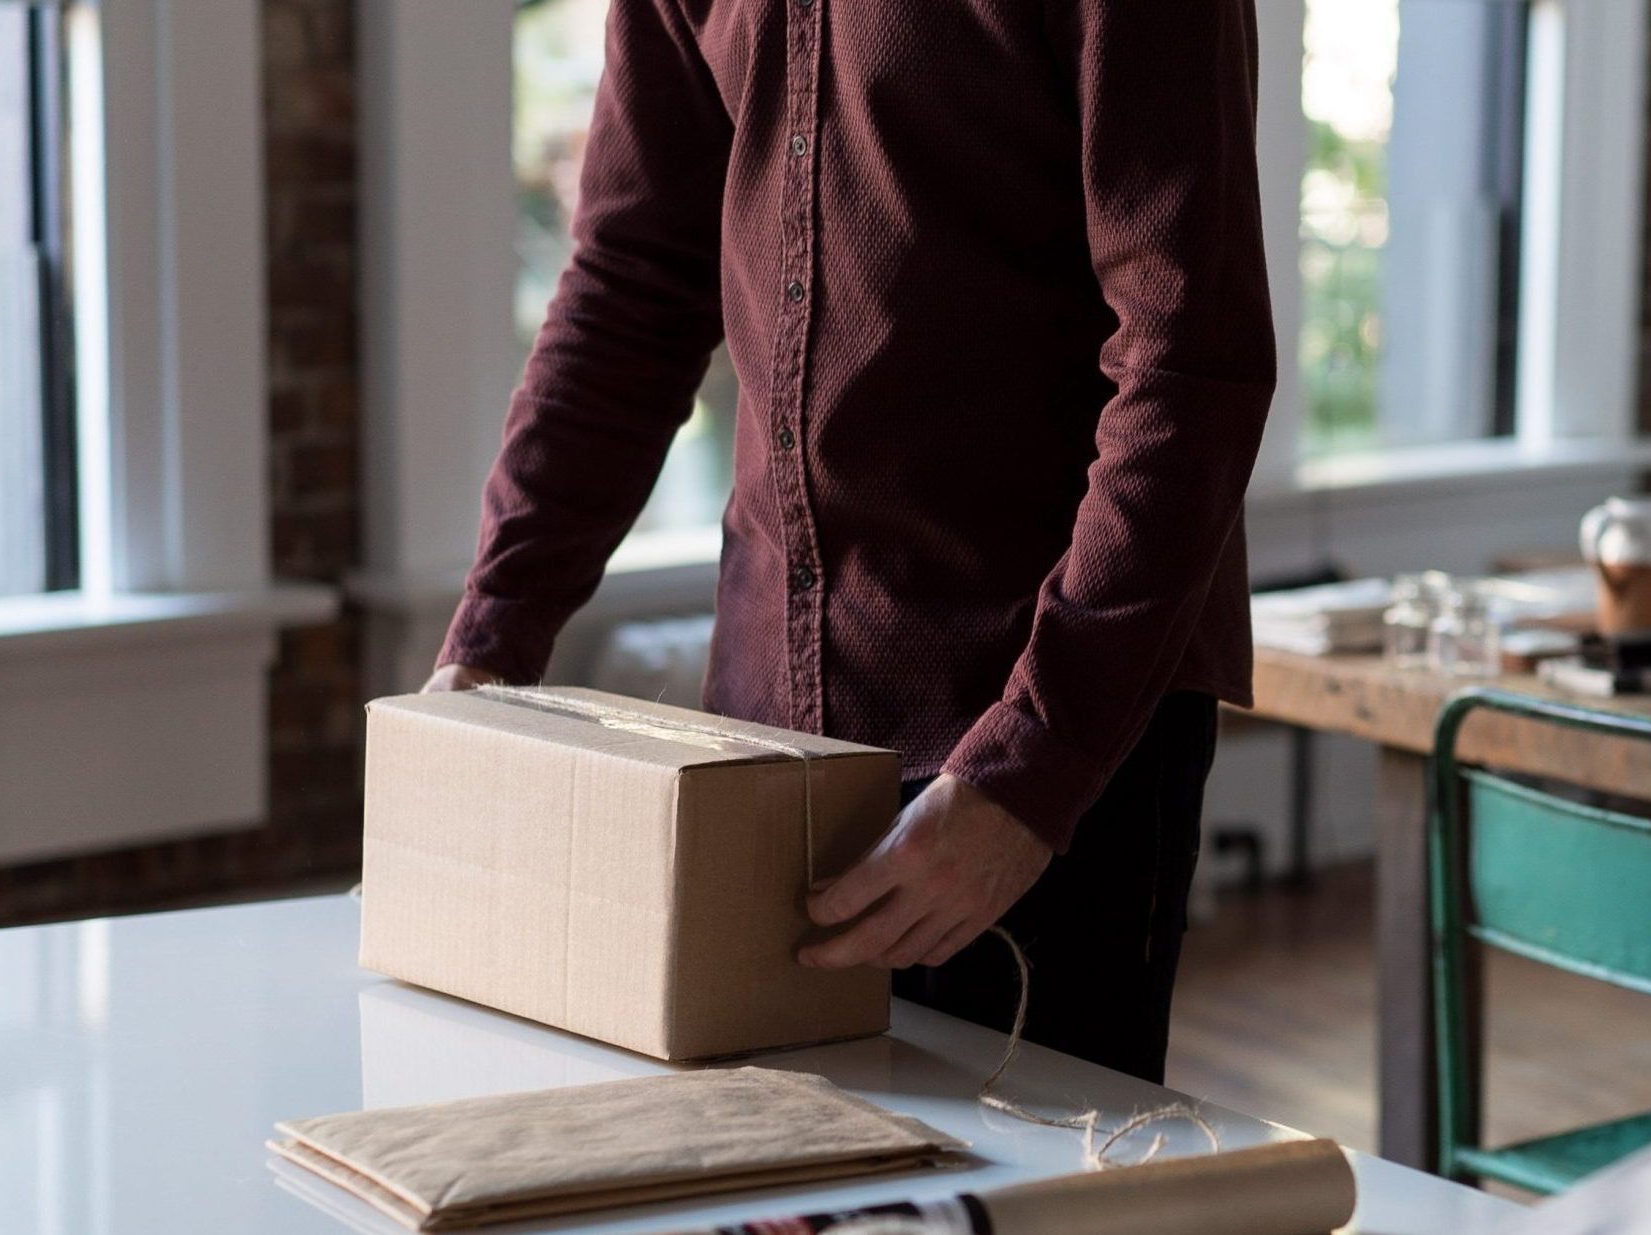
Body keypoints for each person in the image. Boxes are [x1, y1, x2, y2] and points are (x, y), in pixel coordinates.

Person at [421, 0, 1273, 1085]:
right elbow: (632, 284)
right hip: (764, 743)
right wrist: (489, 642)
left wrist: (1028, 771)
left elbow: (1189, 368)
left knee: (1021, 1203)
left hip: (1046, 740)